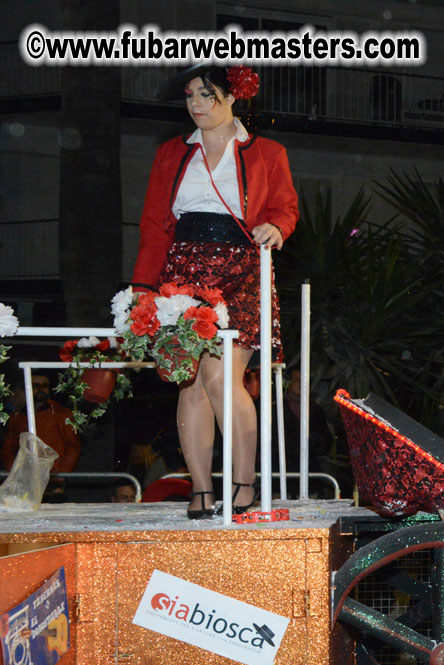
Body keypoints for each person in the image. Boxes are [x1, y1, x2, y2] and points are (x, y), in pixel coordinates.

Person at [132, 64, 298, 519]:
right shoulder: (170, 153)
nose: (197, 106)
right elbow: (153, 224)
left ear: (233, 97)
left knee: (223, 379)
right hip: (182, 270)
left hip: (242, 267)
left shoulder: (268, 151)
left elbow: (285, 207)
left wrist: (277, 227)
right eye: (190, 97)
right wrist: (143, 288)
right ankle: (201, 491)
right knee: (190, 384)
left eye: (207, 95)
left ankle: (244, 485)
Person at [2, 372, 82, 475]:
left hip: (52, 476)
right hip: (27, 477)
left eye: (44, 385)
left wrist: (61, 475)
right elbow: (8, 449)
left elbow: (73, 446)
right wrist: (15, 473)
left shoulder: (61, 414)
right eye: (35, 386)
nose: (41, 389)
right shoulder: (18, 416)